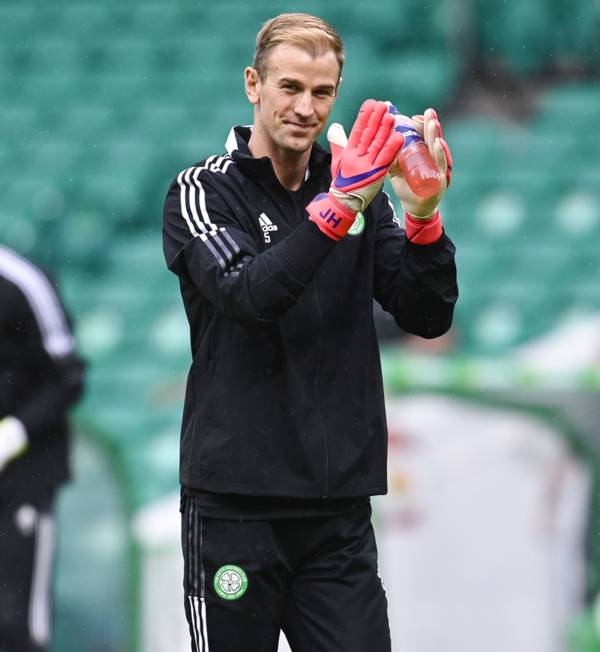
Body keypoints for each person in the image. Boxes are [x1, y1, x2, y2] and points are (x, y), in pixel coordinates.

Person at [163, 12, 457, 652]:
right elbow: (250, 295)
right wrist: (338, 209)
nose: (305, 107)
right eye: (290, 87)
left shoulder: (356, 186)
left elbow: (426, 314)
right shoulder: (203, 191)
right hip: (235, 508)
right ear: (253, 85)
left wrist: (425, 220)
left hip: (335, 512)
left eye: (322, 92)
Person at [0, 244, 85, 652]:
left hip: (21, 480)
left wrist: (15, 432)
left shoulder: (20, 280)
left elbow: (68, 376)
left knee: (14, 624)